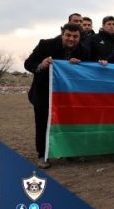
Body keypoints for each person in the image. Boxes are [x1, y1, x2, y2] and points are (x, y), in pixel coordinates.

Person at [25, 23, 90, 168]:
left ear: (80, 37)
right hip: (43, 93)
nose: (71, 39)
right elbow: (28, 63)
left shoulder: (84, 51)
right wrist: (41, 65)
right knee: (43, 125)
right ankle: (43, 155)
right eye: (68, 35)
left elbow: (86, 72)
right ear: (62, 33)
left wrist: (77, 66)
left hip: (68, 96)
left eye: (75, 36)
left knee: (69, 124)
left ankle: (69, 152)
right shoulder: (45, 45)